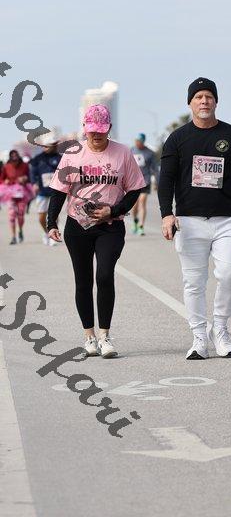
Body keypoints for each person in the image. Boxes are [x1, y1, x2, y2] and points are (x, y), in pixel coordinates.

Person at [158, 77, 231, 360]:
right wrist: (166, 214)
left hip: (226, 219)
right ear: (190, 103)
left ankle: (220, 328)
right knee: (193, 282)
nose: (204, 101)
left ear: (216, 101)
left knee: (229, 274)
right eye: (198, 97)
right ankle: (198, 337)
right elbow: (166, 179)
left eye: (208, 96)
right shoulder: (177, 139)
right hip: (189, 221)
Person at [47, 105, 146, 358]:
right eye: (92, 130)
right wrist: (51, 222)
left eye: (101, 130)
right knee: (83, 281)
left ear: (109, 128)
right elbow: (58, 190)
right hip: (77, 226)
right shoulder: (72, 154)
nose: (96, 135)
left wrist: (114, 211)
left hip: (110, 227)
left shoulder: (123, 153)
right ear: (85, 128)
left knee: (104, 275)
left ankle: (105, 336)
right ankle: (89, 336)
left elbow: (135, 188)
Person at [29, 134, 61, 246]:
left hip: (55, 192)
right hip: (42, 192)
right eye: (53, 144)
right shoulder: (38, 159)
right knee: (41, 217)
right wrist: (34, 183)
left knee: (53, 215)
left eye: (56, 144)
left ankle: (53, 234)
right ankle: (46, 233)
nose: (55, 146)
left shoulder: (60, 158)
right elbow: (32, 173)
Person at [0, 150, 32, 244]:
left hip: (22, 192)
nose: (14, 157)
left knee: (20, 215)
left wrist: (25, 178)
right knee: (11, 215)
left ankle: (20, 230)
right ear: (10, 157)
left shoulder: (24, 165)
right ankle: (13, 237)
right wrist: (4, 181)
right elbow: (1, 179)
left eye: (16, 155)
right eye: (12, 156)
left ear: (18, 156)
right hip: (10, 193)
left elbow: (30, 177)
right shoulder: (6, 166)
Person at [130, 133, 159, 235]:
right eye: (136, 141)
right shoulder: (131, 150)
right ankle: (135, 222)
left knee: (142, 202)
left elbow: (155, 168)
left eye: (139, 141)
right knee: (134, 205)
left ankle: (141, 226)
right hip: (133, 182)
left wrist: (157, 182)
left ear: (143, 142)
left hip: (145, 181)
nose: (137, 143)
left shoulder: (150, 153)